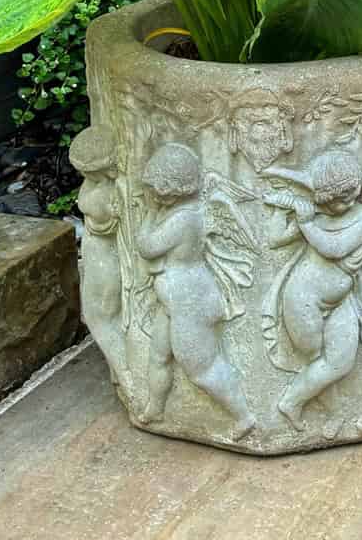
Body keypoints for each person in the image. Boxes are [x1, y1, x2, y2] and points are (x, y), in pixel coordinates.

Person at [135, 142, 255, 440]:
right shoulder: (180, 210)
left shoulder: (184, 218)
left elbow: (147, 247)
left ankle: (243, 416)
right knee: (158, 356)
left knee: (201, 369)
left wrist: (149, 213)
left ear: (167, 189)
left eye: (153, 188)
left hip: (191, 304)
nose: (150, 193)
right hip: (173, 304)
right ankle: (156, 408)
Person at [262, 149, 362, 431]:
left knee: (339, 362)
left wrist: (306, 222)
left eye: (352, 193)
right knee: (316, 360)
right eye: (338, 200)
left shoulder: (360, 220)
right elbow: (276, 240)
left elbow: (333, 248)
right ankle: (302, 406)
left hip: (339, 301)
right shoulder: (316, 215)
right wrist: (281, 209)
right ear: (324, 197)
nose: (347, 202)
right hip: (302, 302)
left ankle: (293, 401)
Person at [68, 126, 128, 387]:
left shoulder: (104, 194)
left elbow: (86, 203)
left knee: (100, 318)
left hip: (104, 263)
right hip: (103, 259)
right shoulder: (104, 186)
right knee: (108, 318)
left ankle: (128, 376)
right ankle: (122, 372)